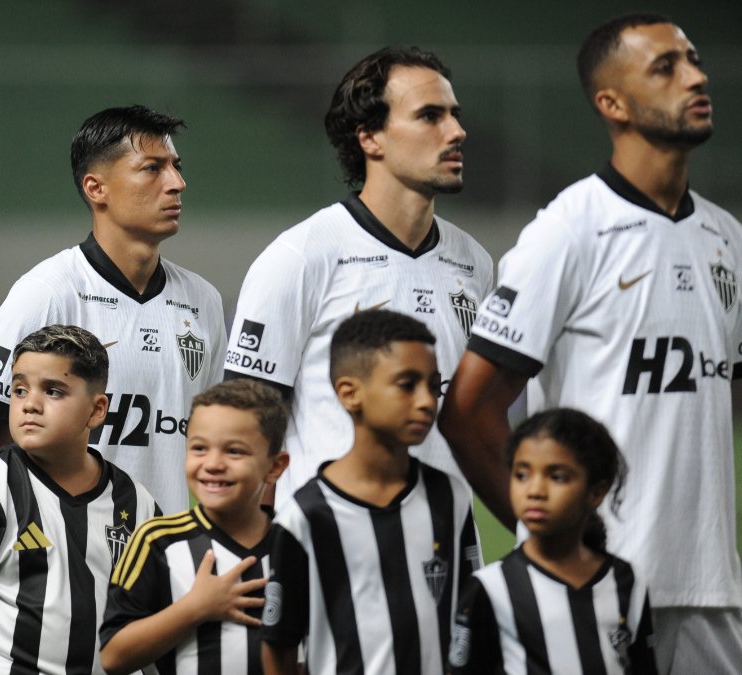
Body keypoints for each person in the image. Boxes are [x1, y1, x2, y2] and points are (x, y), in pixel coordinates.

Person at [438, 13, 742, 672]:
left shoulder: (728, 238)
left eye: (693, 59)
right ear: (613, 104)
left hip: (713, 586)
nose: (695, 76)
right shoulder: (570, 232)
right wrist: (549, 542)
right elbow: (467, 409)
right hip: (596, 586)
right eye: (666, 67)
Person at [223, 46, 492, 511]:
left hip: (444, 555)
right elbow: (245, 428)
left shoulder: (475, 263)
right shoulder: (302, 257)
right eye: (430, 116)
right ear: (370, 138)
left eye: (454, 114)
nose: (456, 131)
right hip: (329, 560)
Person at [0, 105, 225, 514]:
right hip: (74, 565)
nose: (177, 183)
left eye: (176, 166)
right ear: (96, 188)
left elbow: (216, 435)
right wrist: (49, 529)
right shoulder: (47, 293)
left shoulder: (203, 301)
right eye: (153, 168)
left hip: (166, 561)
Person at [0, 324, 159, 674]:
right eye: (20, 390)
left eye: (54, 392)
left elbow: (154, 617)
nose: (31, 405)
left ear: (97, 410)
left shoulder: (136, 504)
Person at [261, 309, 479, 675]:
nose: (427, 401)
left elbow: (470, 619)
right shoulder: (306, 516)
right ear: (350, 393)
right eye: (407, 384)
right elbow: (280, 647)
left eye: (433, 384)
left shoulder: (451, 498)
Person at [99, 378, 290, 674]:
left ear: (275, 466)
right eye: (199, 448)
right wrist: (195, 608)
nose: (213, 463)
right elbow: (113, 656)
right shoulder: (158, 541)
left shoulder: (299, 544)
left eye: (235, 451)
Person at [449, 408, 657, 674]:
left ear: (596, 492)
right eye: (522, 474)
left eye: (556, 477)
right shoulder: (491, 588)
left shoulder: (627, 581)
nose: (535, 491)